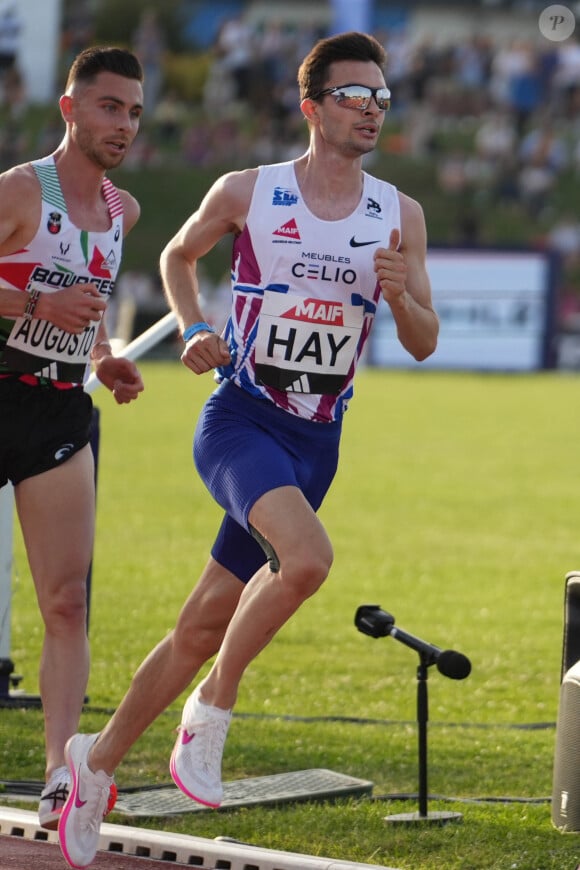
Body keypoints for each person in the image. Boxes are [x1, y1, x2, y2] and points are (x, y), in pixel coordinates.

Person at [57, 31, 438, 869]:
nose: (372, 108)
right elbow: (175, 253)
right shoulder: (250, 192)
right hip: (239, 422)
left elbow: (421, 339)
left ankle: (95, 764)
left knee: (200, 623)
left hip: (317, 443)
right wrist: (194, 325)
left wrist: (404, 295)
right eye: (355, 95)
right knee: (305, 561)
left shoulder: (397, 212)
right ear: (312, 107)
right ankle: (211, 716)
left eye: (382, 97)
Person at [0, 46, 145, 830]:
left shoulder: (124, 212)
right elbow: (46, 298)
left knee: (65, 599)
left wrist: (105, 357)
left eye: (133, 112)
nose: (122, 124)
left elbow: (86, 306)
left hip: (58, 414)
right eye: (108, 107)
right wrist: (31, 305)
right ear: (70, 109)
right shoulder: (22, 191)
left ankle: (59, 770)